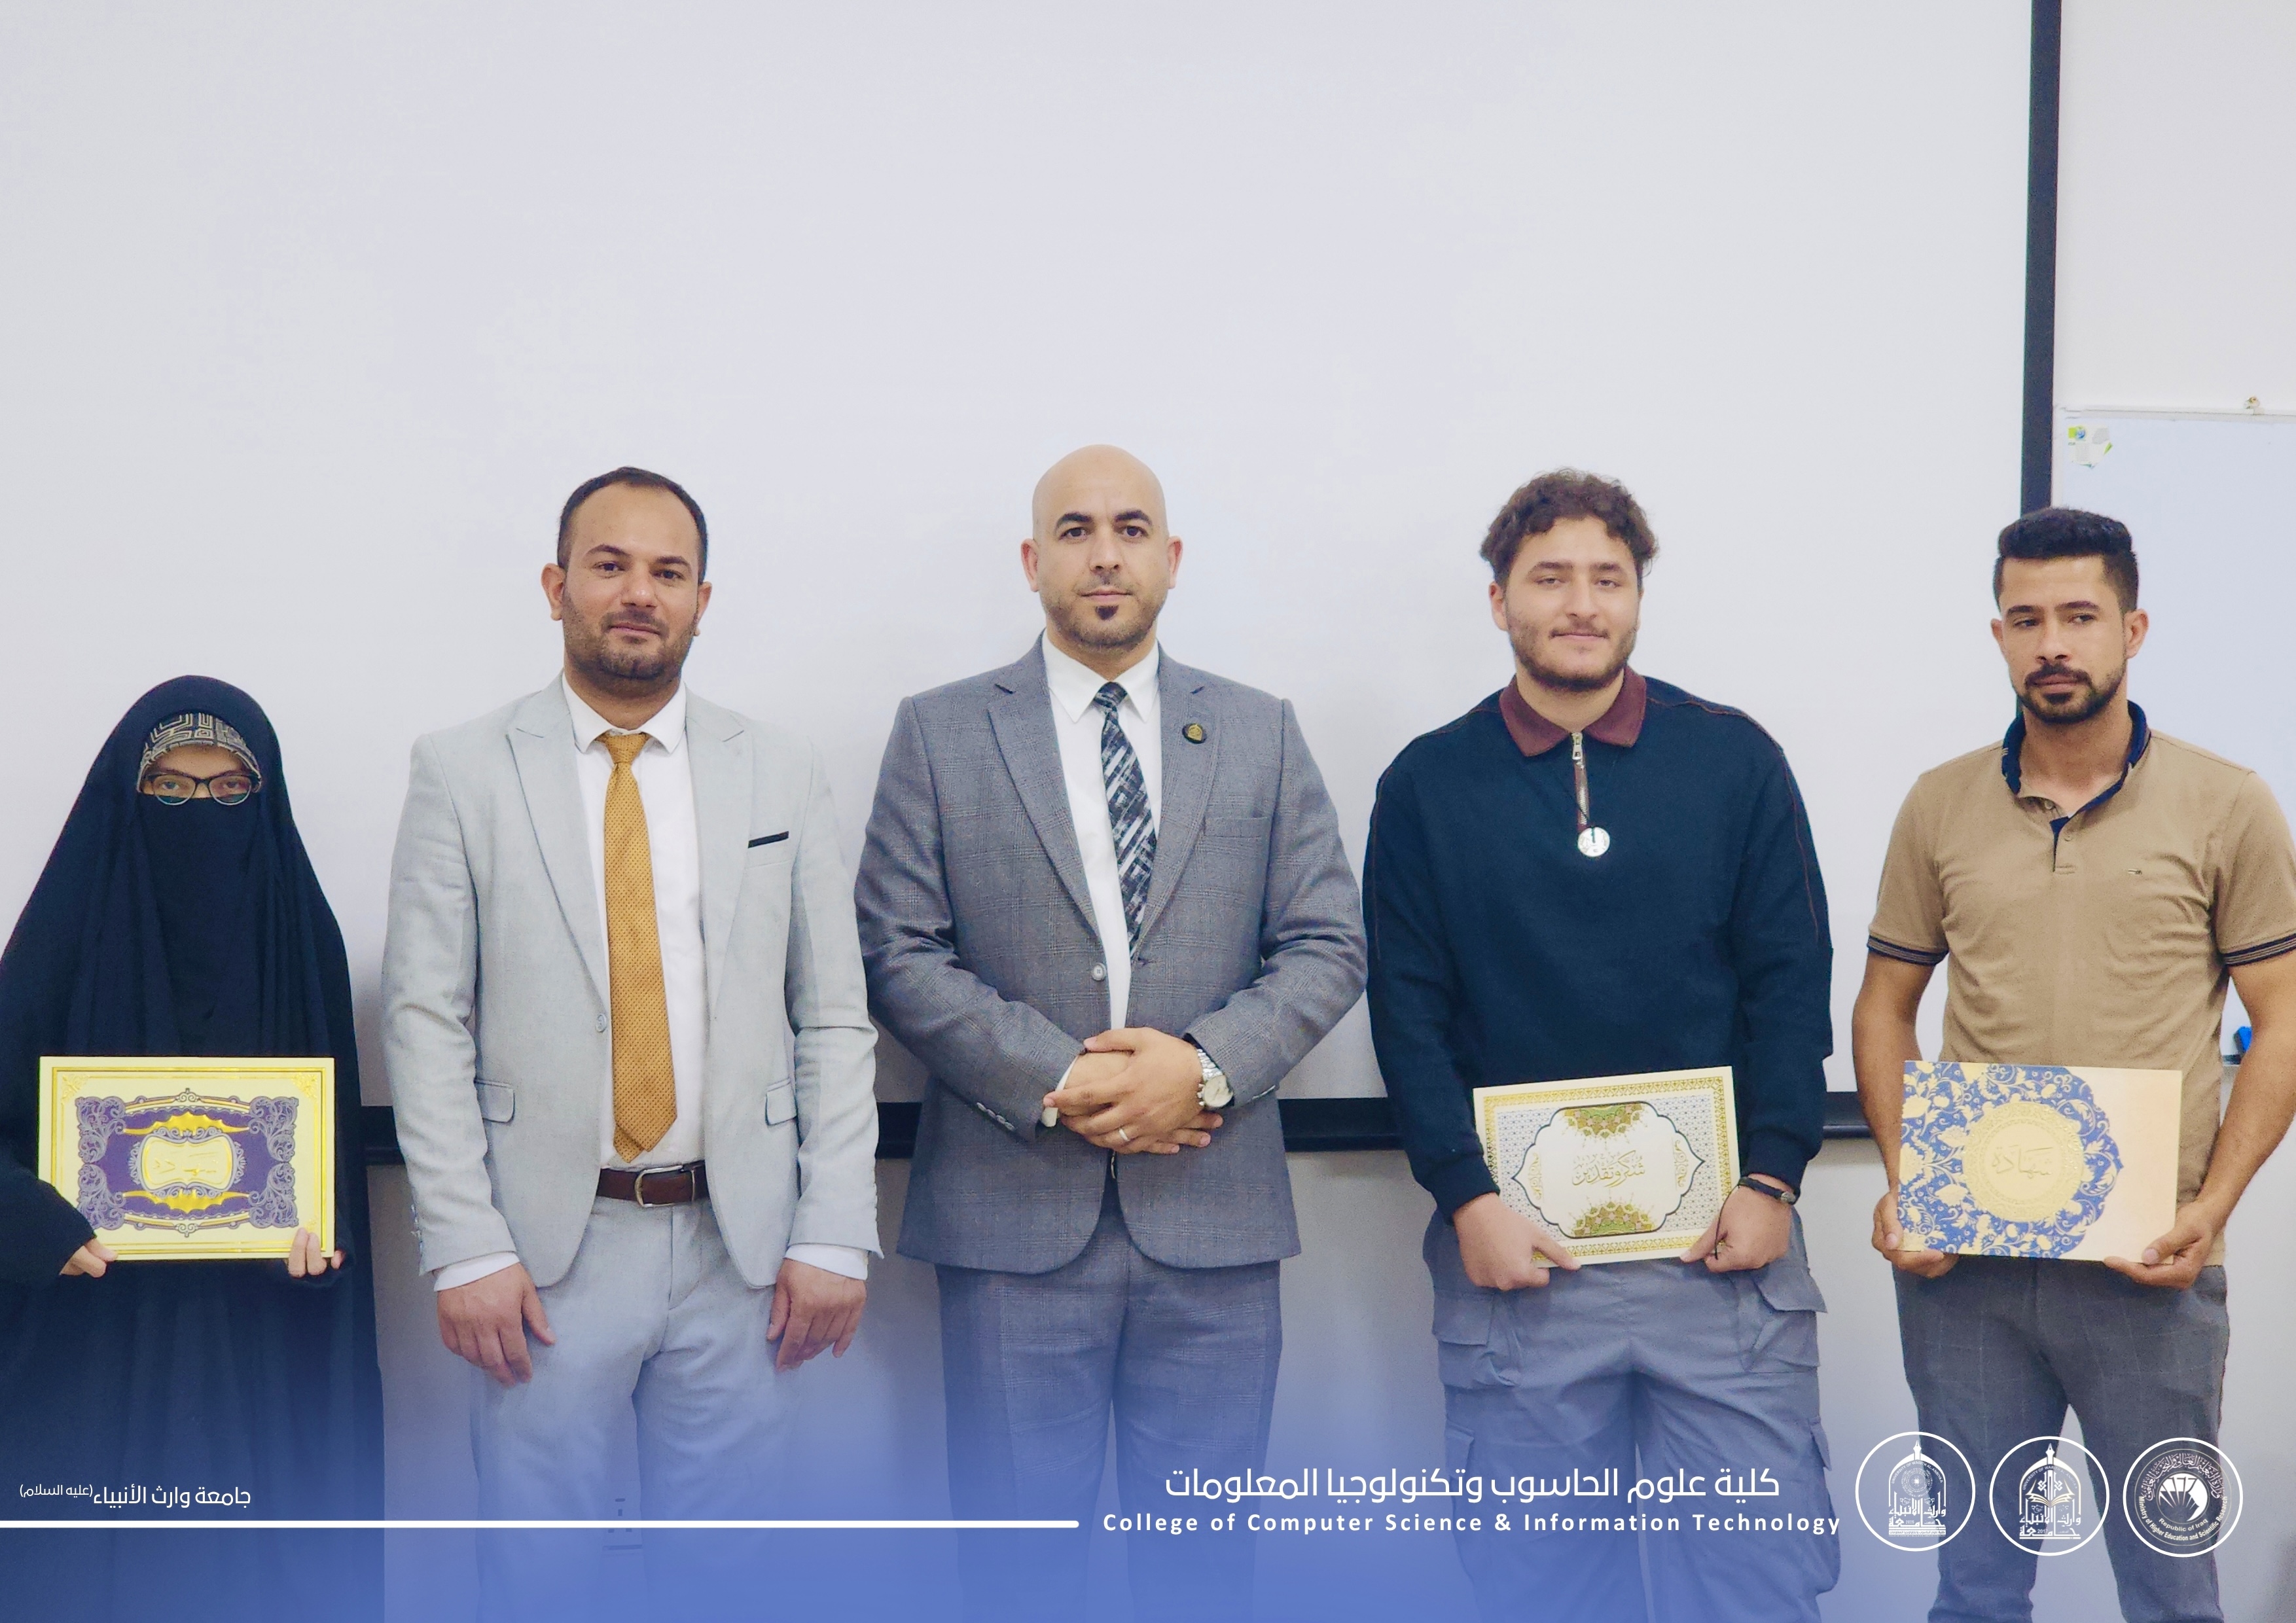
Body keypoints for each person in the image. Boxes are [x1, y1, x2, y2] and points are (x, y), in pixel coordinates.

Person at [855, 444, 1365, 1622]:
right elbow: (897, 951)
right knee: (1018, 1581)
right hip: (1012, 1223)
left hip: (1215, 1225)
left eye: (1131, 530)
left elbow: (1328, 943)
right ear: (1032, 560)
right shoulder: (939, 731)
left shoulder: (1260, 730)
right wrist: (1062, 1078)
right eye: (1075, 531)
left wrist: (1205, 1069)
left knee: (1204, 1577)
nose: (1104, 555)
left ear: (1171, 559)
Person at [383, 467, 880, 1619]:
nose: (639, 593)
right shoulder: (462, 768)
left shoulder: (782, 766)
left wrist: (835, 1230)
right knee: (539, 1576)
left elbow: (832, 1014)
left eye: (669, 571)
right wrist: (464, 1246)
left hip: (742, 1245)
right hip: (545, 1252)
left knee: (730, 1580)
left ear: (704, 599)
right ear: (556, 586)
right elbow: (424, 1017)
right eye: (609, 566)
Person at [1363, 470, 1839, 1623]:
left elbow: (1790, 981)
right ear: (1499, 602)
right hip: (1520, 1264)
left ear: (1637, 597)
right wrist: (1466, 1196)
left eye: (1608, 579)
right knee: (1544, 1590)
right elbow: (1408, 1013)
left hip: (1723, 1256)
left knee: (1758, 1583)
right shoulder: (1427, 784)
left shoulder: (1734, 759)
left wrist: (1776, 1174)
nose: (1581, 604)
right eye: (1550, 578)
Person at [1856, 507, 2296, 1623]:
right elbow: (1884, 1005)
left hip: (2149, 1269)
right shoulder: (1939, 803)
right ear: (1999, 636)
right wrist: (1910, 1182)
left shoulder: (2227, 802)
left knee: (2170, 1586)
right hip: (1968, 1272)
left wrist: (2212, 1207)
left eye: (2080, 616)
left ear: (2133, 629)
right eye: (2026, 620)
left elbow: (2285, 1014)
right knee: (1976, 1585)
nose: (2052, 643)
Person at [0, 677, 384, 1620]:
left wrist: (322, 1248)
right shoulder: (59, 943)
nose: (199, 811)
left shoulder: (304, 942)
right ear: (124, 798)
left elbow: (328, 1160)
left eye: (229, 791)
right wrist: (33, 1224)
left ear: (264, 800)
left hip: (259, 1342)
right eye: (169, 789)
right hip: (88, 1334)